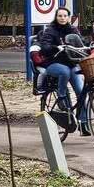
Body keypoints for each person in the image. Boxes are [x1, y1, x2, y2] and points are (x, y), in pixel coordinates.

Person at [35, 7, 89, 135]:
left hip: (71, 64)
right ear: (56, 17)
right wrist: (56, 47)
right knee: (64, 71)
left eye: (65, 16)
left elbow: (81, 41)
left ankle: (83, 123)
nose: (63, 18)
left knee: (81, 92)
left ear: (68, 17)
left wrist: (92, 44)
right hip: (54, 64)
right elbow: (44, 48)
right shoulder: (50, 31)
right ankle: (61, 97)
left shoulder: (72, 30)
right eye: (60, 16)